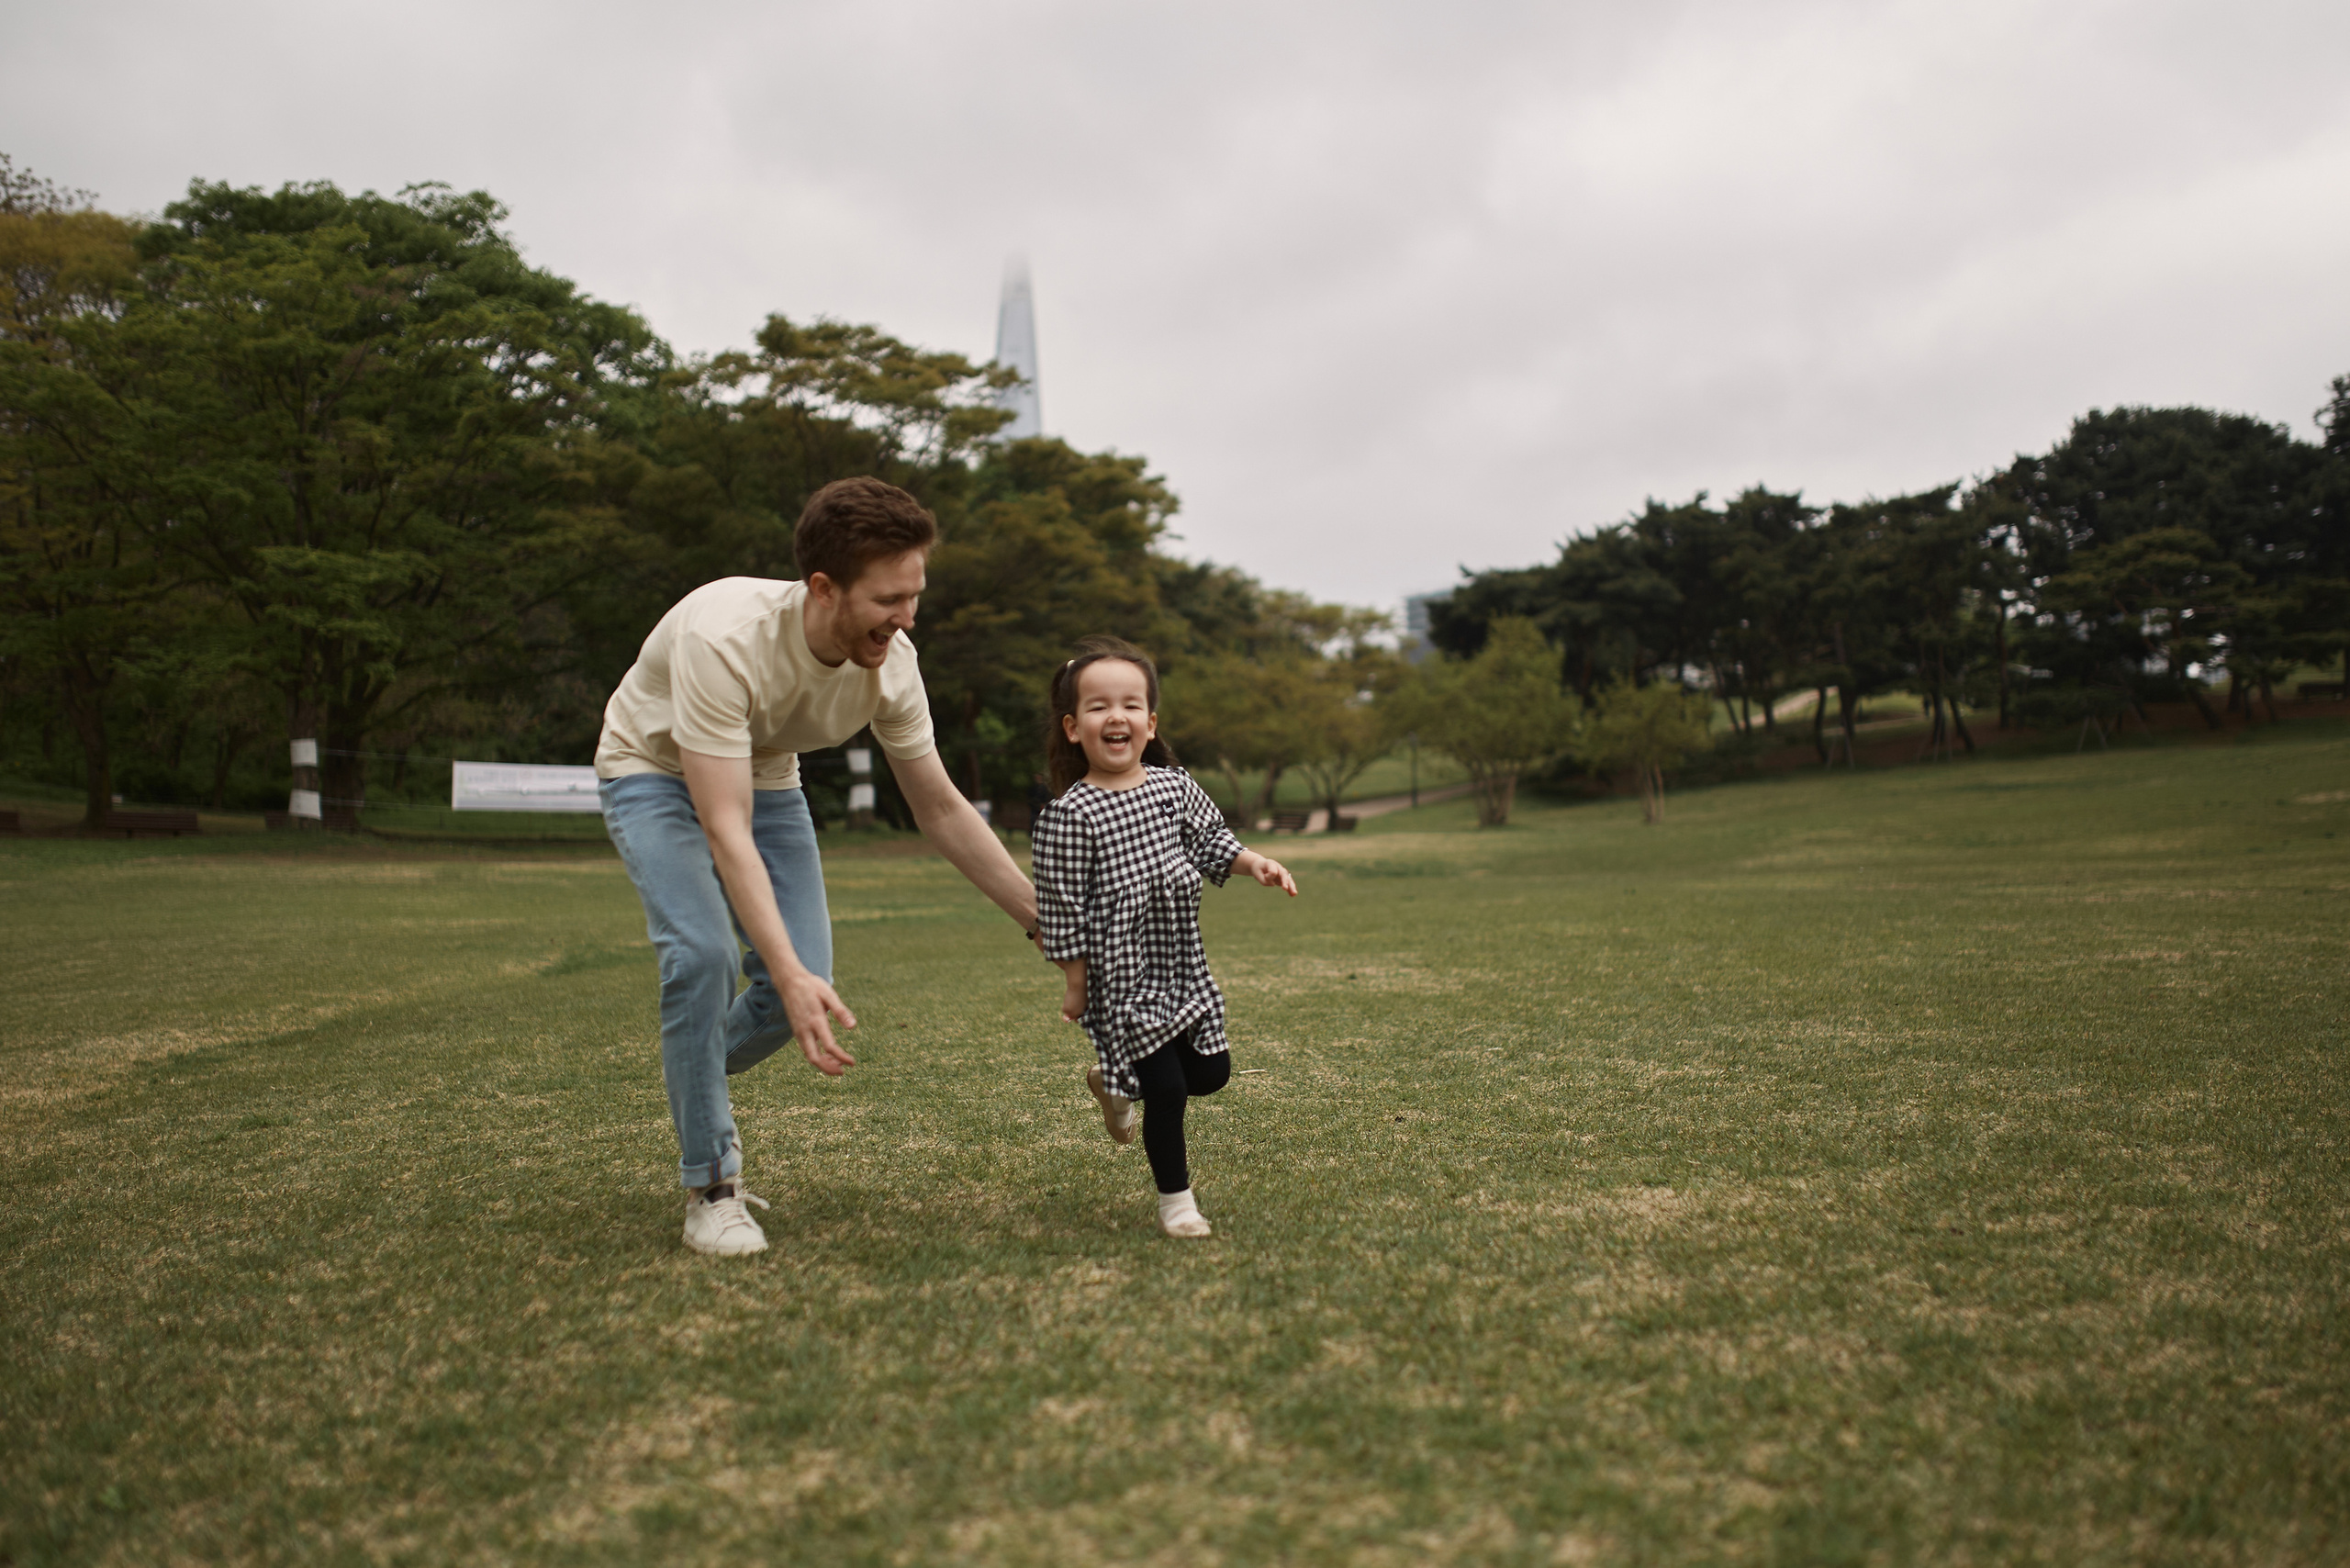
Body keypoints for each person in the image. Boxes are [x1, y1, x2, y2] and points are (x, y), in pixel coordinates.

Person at [595, 477, 1038, 1257]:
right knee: (699, 958)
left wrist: (1043, 918)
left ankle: (689, 1068)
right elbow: (722, 826)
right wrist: (784, 967)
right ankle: (712, 1187)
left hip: (765, 775)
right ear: (825, 589)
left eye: (915, 595)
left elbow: (939, 808)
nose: (906, 621)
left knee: (798, 985)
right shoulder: (724, 639)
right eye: (889, 600)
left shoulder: (892, 666)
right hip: (651, 768)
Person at [1029, 636, 1297, 1238]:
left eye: (1129, 704)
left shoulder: (1174, 788)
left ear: (1150, 724)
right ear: (1074, 728)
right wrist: (1076, 983)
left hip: (1183, 966)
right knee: (1170, 1090)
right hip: (1118, 976)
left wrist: (1256, 864)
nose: (1115, 716)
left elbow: (1214, 844)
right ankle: (1177, 1202)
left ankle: (1112, 1082)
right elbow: (1062, 906)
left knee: (1211, 1074)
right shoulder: (1070, 816)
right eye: (1098, 707)